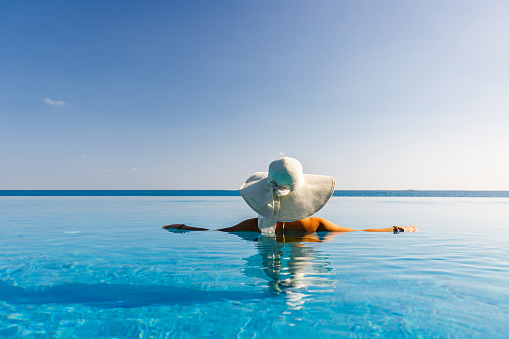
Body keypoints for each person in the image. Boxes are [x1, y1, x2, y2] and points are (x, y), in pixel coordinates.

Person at [163, 157, 417, 235]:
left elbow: (213, 232)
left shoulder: (254, 225)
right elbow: (360, 233)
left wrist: (181, 227)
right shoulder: (314, 224)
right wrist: (400, 228)